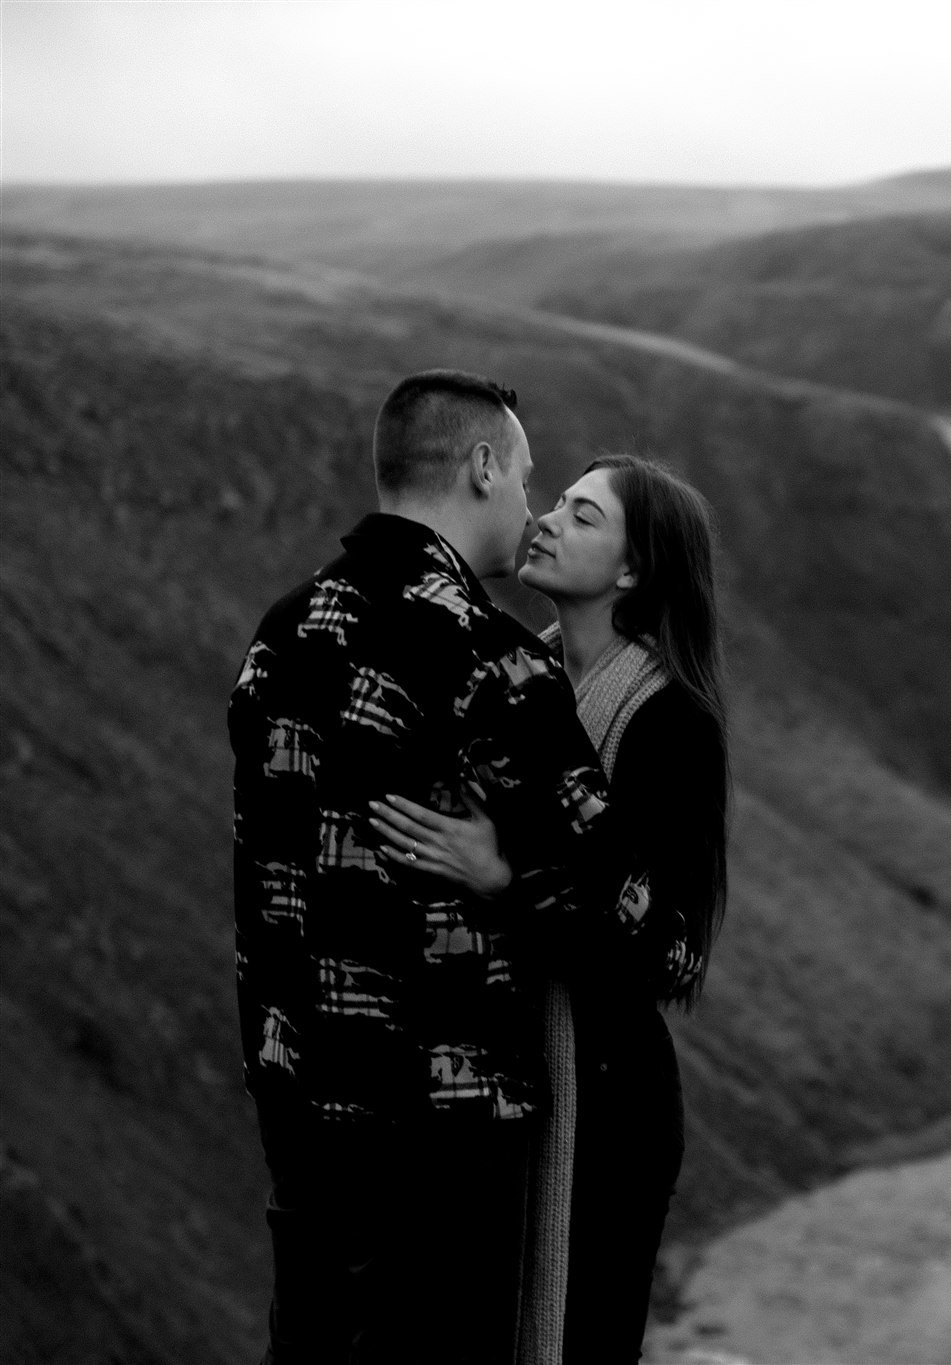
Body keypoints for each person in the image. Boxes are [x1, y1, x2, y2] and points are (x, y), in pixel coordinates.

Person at [228, 369, 611, 1364]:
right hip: (444, 1123)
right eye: (523, 476)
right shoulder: (494, 659)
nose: (528, 504)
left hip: (300, 1098)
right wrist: (507, 877)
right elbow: (610, 897)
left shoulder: (281, 635)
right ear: (481, 467)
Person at [368, 454, 730, 1363]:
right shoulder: (505, 685)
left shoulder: (672, 725)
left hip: (607, 1111)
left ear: (633, 569)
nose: (548, 520)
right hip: (486, 1088)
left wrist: (508, 878)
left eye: (583, 515)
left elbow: (673, 953)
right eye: (557, 501)